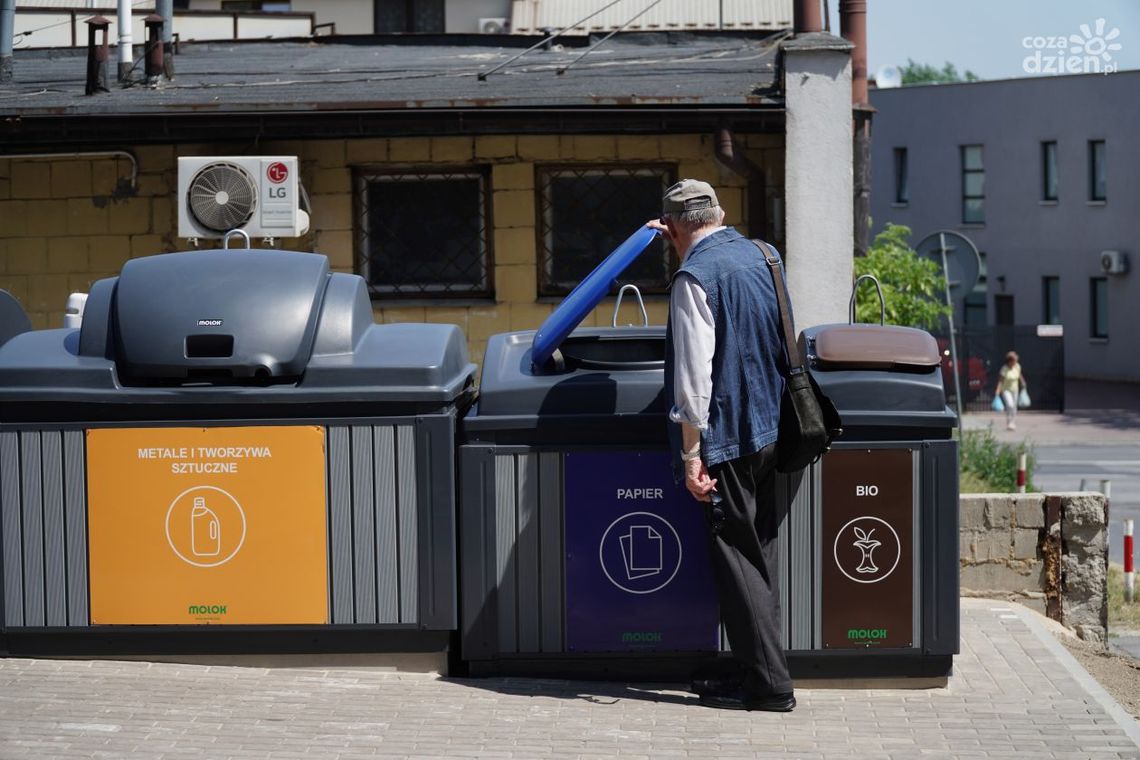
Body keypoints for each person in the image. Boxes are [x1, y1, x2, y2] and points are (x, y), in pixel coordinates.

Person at [647, 179, 794, 713]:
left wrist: (691, 457)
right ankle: (756, 667)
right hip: (773, 428)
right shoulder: (764, 255)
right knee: (758, 556)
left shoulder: (694, 277)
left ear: (672, 228)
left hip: (727, 439)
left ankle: (771, 687)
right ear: (721, 213)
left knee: (736, 560)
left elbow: (692, 384)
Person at [995, 351, 1027, 431]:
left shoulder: (1017, 366)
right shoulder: (1004, 369)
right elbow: (1000, 381)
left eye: (1016, 360)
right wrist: (998, 390)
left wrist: (1023, 382)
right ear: (1010, 361)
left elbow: (1019, 375)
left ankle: (1012, 423)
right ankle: (1009, 422)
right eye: (1014, 360)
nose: (1016, 362)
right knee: (1010, 405)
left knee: (1014, 407)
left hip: (1015, 390)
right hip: (1006, 390)